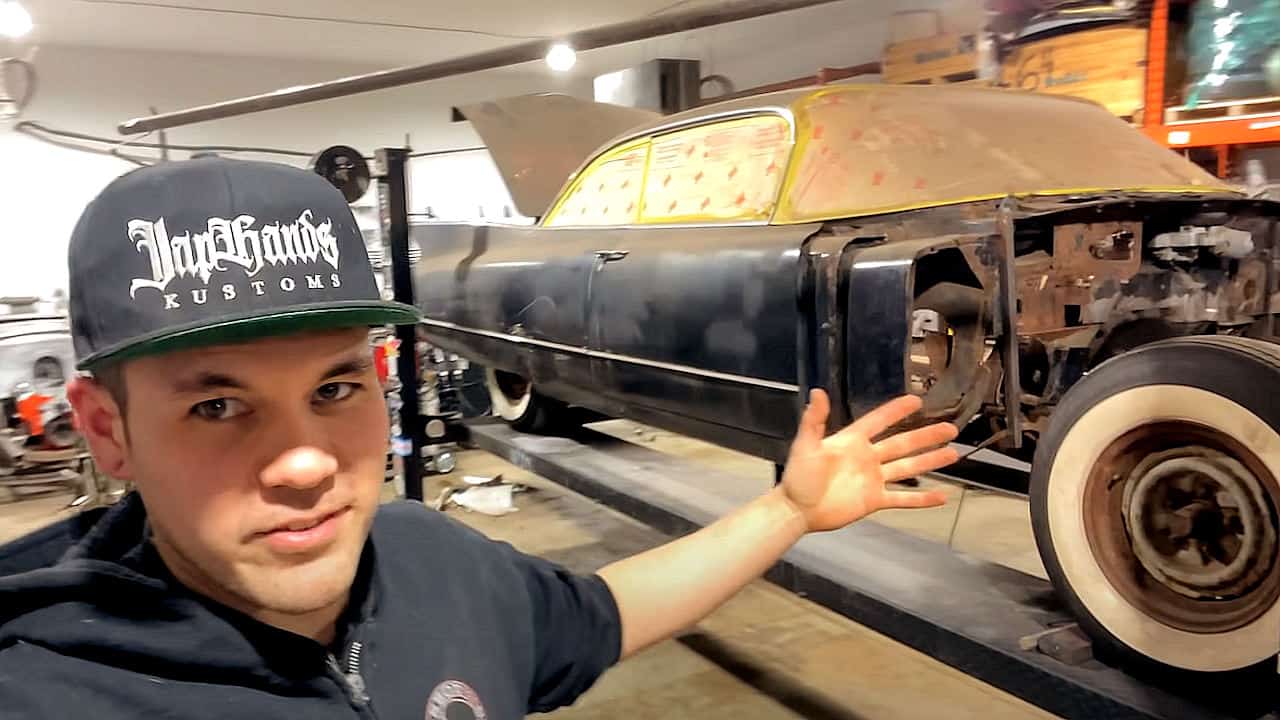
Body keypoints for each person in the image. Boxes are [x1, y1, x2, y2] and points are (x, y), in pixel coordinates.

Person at [0, 157, 960, 719]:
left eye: (335, 386)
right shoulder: (44, 693)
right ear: (107, 431)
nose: (306, 462)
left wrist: (789, 509)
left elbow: (601, 613)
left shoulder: (430, 558)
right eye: (217, 406)